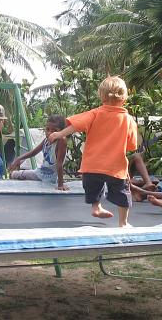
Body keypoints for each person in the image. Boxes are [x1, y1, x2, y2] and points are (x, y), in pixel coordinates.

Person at [49, 76, 137, 227]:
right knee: (123, 194)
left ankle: (96, 207)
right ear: (124, 97)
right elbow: (131, 146)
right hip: (115, 167)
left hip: (92, 166)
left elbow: (76, 125)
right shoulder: (128, 120)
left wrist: (60, 133)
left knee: (94, 188)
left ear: (102, 96)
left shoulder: (95, 113)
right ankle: (123, 223)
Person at [9, 115, 69, 191]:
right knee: (14, 174)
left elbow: (59, 164)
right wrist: (19, 158)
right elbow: (34, 152)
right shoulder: (46, 141)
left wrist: (60, 185)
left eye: (54, 131)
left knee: (17, 174)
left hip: (53, 178)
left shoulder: (61, 141)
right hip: (40, 173)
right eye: (47, 129)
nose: (50, 133)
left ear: (61, 131)